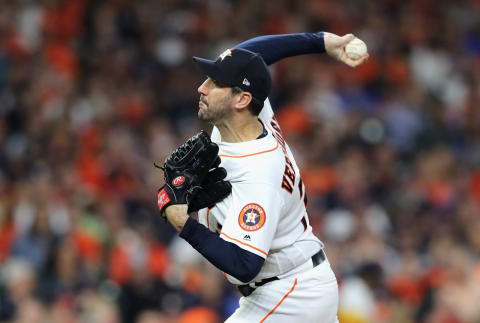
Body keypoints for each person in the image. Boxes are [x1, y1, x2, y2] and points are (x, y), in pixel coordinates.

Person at [162, 32, 368, 322]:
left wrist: (183, 223)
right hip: (295, 285)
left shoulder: (258, 172)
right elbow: (249, 56)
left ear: (241, 99)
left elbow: (245, 264)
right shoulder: (251, 116)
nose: (201, 88)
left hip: (289, 296)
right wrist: (319, 42)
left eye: (215, 83)